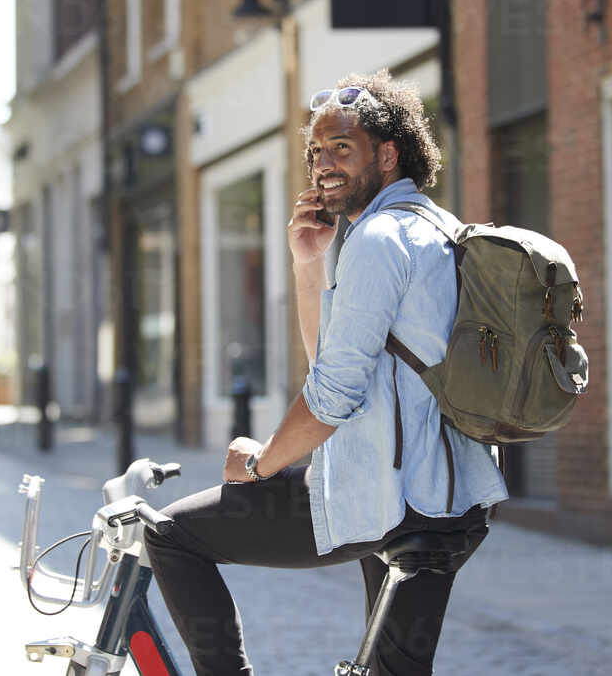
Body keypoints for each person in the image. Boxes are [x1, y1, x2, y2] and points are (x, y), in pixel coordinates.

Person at [144, 69, 508, 676]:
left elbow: (332, 396)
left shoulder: (377, 240)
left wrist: (260, 464)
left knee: (172, 535)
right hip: (454, 501)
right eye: (316, 150)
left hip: (390, 498)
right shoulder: (435, 228)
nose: (324, 163)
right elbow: (337, 361)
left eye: (343, 147)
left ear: (389, 154)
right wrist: (308, 263)